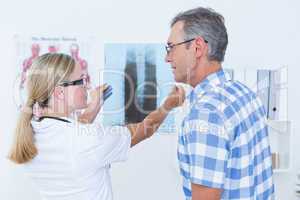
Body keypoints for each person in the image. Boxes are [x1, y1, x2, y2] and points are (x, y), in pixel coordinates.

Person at [9, 53, 185, 200]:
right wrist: (168, 105)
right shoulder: (89, 139)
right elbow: (145, 128)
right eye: (80, 81)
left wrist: (93, 107)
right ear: (60, 92)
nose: (87, 85)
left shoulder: (32, 131)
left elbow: (71, 137)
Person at [165, 7, 274, 200]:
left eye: (171, 47)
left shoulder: (206, 114)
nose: (167, 58)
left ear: (197, 47)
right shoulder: (245, 93)